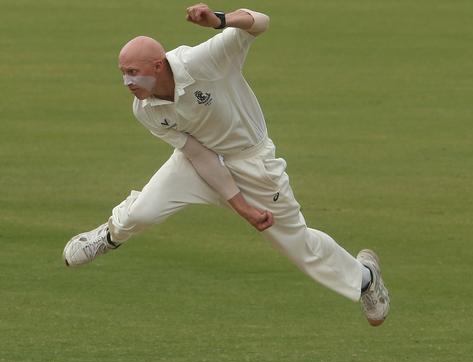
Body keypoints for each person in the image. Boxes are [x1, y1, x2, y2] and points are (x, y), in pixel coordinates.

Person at [62, 3, 389, 326]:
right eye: (123, 74)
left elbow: (260, 22)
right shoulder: (145, 110)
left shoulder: (202, 61)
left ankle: (365, 278)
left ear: (159, 65)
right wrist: (241, 207)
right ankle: (109, 235)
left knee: (295, 241)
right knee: (142, 212)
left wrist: (219, 19)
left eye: (133, 72)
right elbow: (200, 155)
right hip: (199, 160)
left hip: (253, 161)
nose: (128, 82)